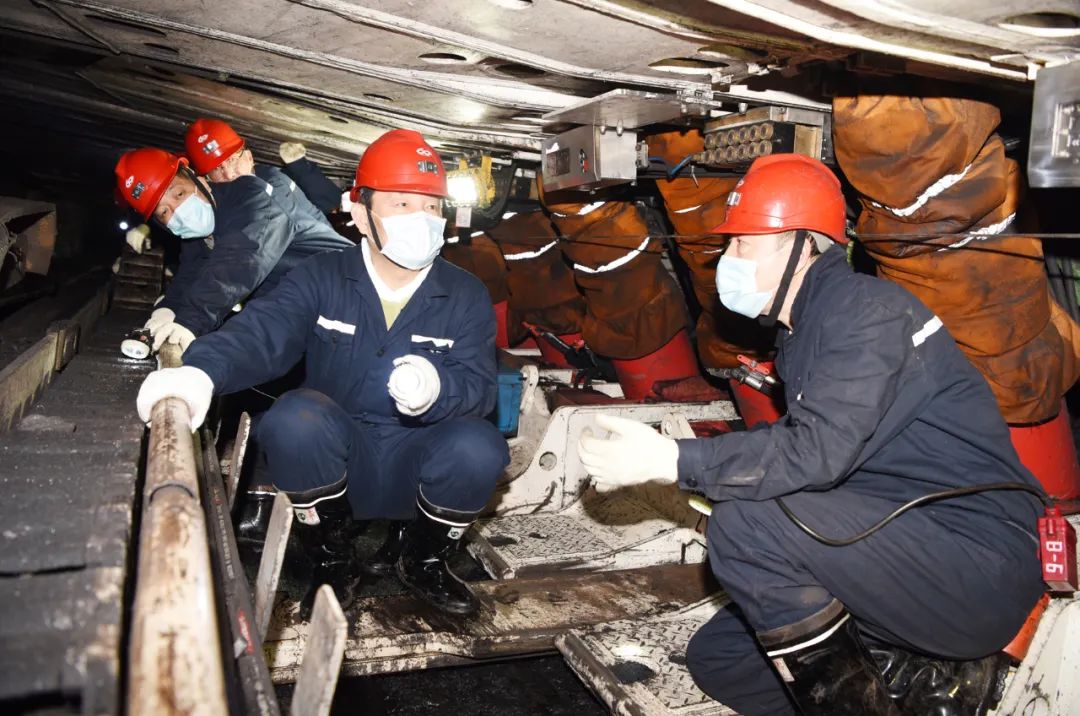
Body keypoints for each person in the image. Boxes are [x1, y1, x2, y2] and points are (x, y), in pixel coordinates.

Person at [578, 153, 1046, 715]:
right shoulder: (806, 332)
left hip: (971, 563)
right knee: (721, 659)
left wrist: (674, 459)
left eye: (743, 244)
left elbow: (816, 452)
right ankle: (902, 682)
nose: (727, 260)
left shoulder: (867, 313)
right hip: (898, 541)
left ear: (802, 246)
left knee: (747, 525)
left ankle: (908, 686)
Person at [135, 129, 510, 617]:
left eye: (431, 206)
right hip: (341, 459)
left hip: (416, 458)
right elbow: (265, 330)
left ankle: (423, 559)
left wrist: (441, 388)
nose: (421, 219)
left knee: (481, 446)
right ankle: (333, 559)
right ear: (361, 214)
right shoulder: (322, 276)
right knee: (293, 419)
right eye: (401, 204)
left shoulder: (465, 294)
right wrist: (200, 373)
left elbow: (480, 387)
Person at [114, 144, 353, 352]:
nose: (178, 211)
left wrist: (190, 322)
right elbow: (191, 274)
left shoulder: (251, 195)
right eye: (164, 212)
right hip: (317, 314)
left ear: (198, 179)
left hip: (352, 286)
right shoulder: (200, 234)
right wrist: (167, 309)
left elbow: (239, 262)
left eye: (179, 193)